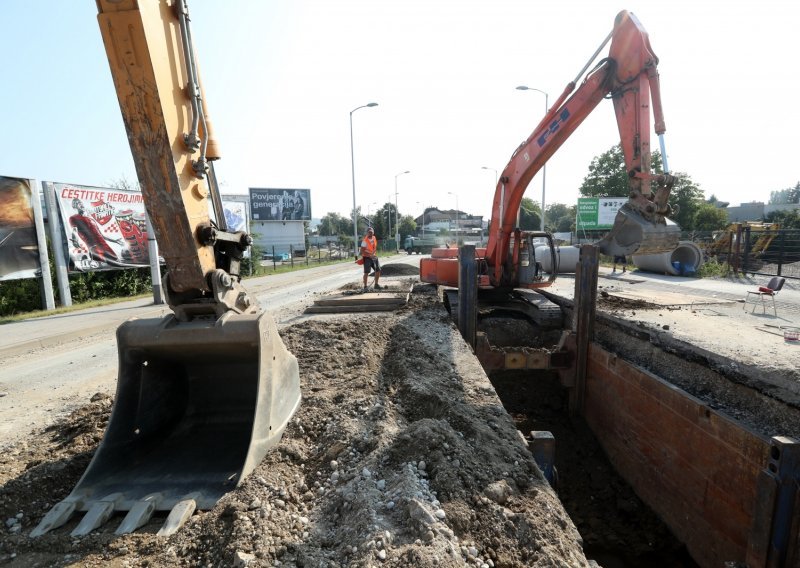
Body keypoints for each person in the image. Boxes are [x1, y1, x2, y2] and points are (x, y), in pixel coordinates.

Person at [360, 226, 382, 291]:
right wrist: (370, 255)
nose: (371, 233)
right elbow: (362, 251)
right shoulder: (364, 241)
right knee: (366, 272)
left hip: (373, 257)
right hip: (367, 258)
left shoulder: (374, 238)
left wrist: (373, 255)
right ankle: (365, 287)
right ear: (367, 233)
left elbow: (374, 247)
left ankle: (376, 285)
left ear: (373, 232)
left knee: (378, 270)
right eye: (369, 232)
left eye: (372, 232)